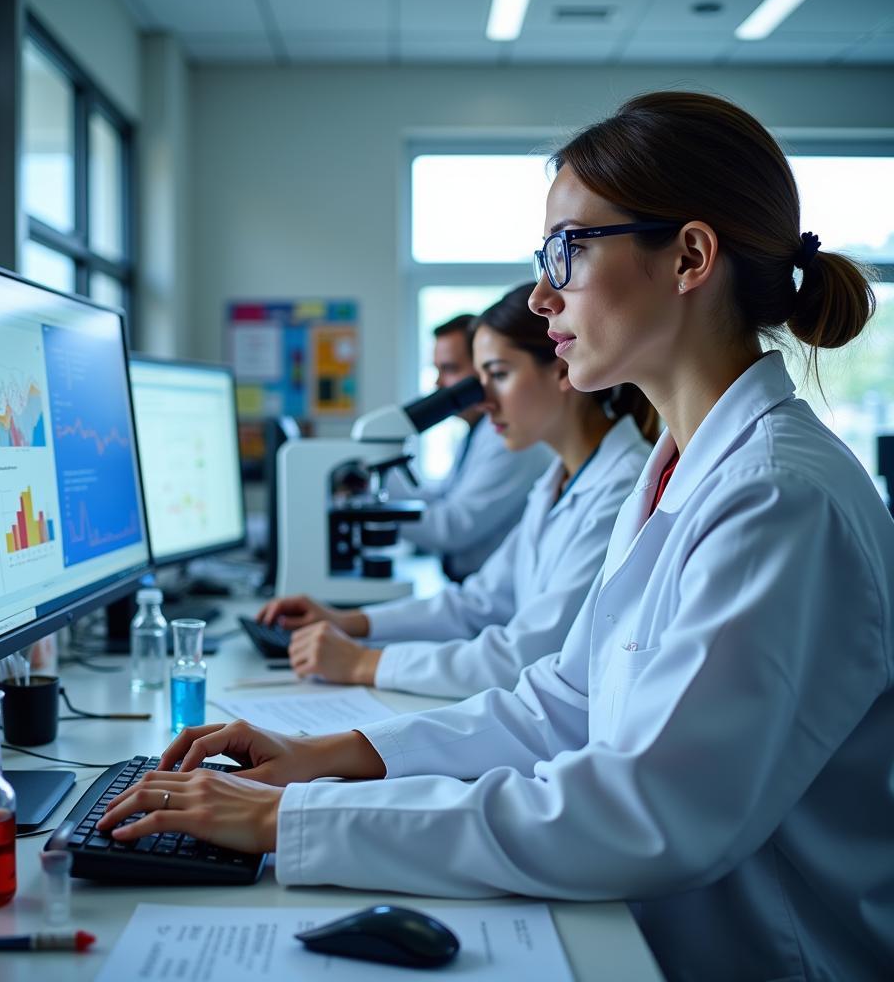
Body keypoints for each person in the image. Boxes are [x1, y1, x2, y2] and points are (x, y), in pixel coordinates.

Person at [99, 92, 894, 981]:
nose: (544, 294)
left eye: (567, 250)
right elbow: (564, 701)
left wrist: (287, 822)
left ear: (690, 257)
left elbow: (649, 811)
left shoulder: (779, 499)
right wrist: (324, 760)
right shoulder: (680, 466)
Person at [258, 284, 657, 698]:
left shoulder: (621, 489)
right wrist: (349, 620)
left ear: (561, 369)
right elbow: (475, 604)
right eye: (481, 379)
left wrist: (363, 662)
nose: (484, 402)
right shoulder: (557, 480)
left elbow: (524, 656)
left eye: (499, 375)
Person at [390, 312, 551, 582]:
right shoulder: (476, 432)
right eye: (437, 370)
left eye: (450, 369)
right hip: (472, 586)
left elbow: (452, 528)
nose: (438, 384)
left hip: (488, 585)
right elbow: (441, 497)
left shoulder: (509, 438)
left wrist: (379, 512)